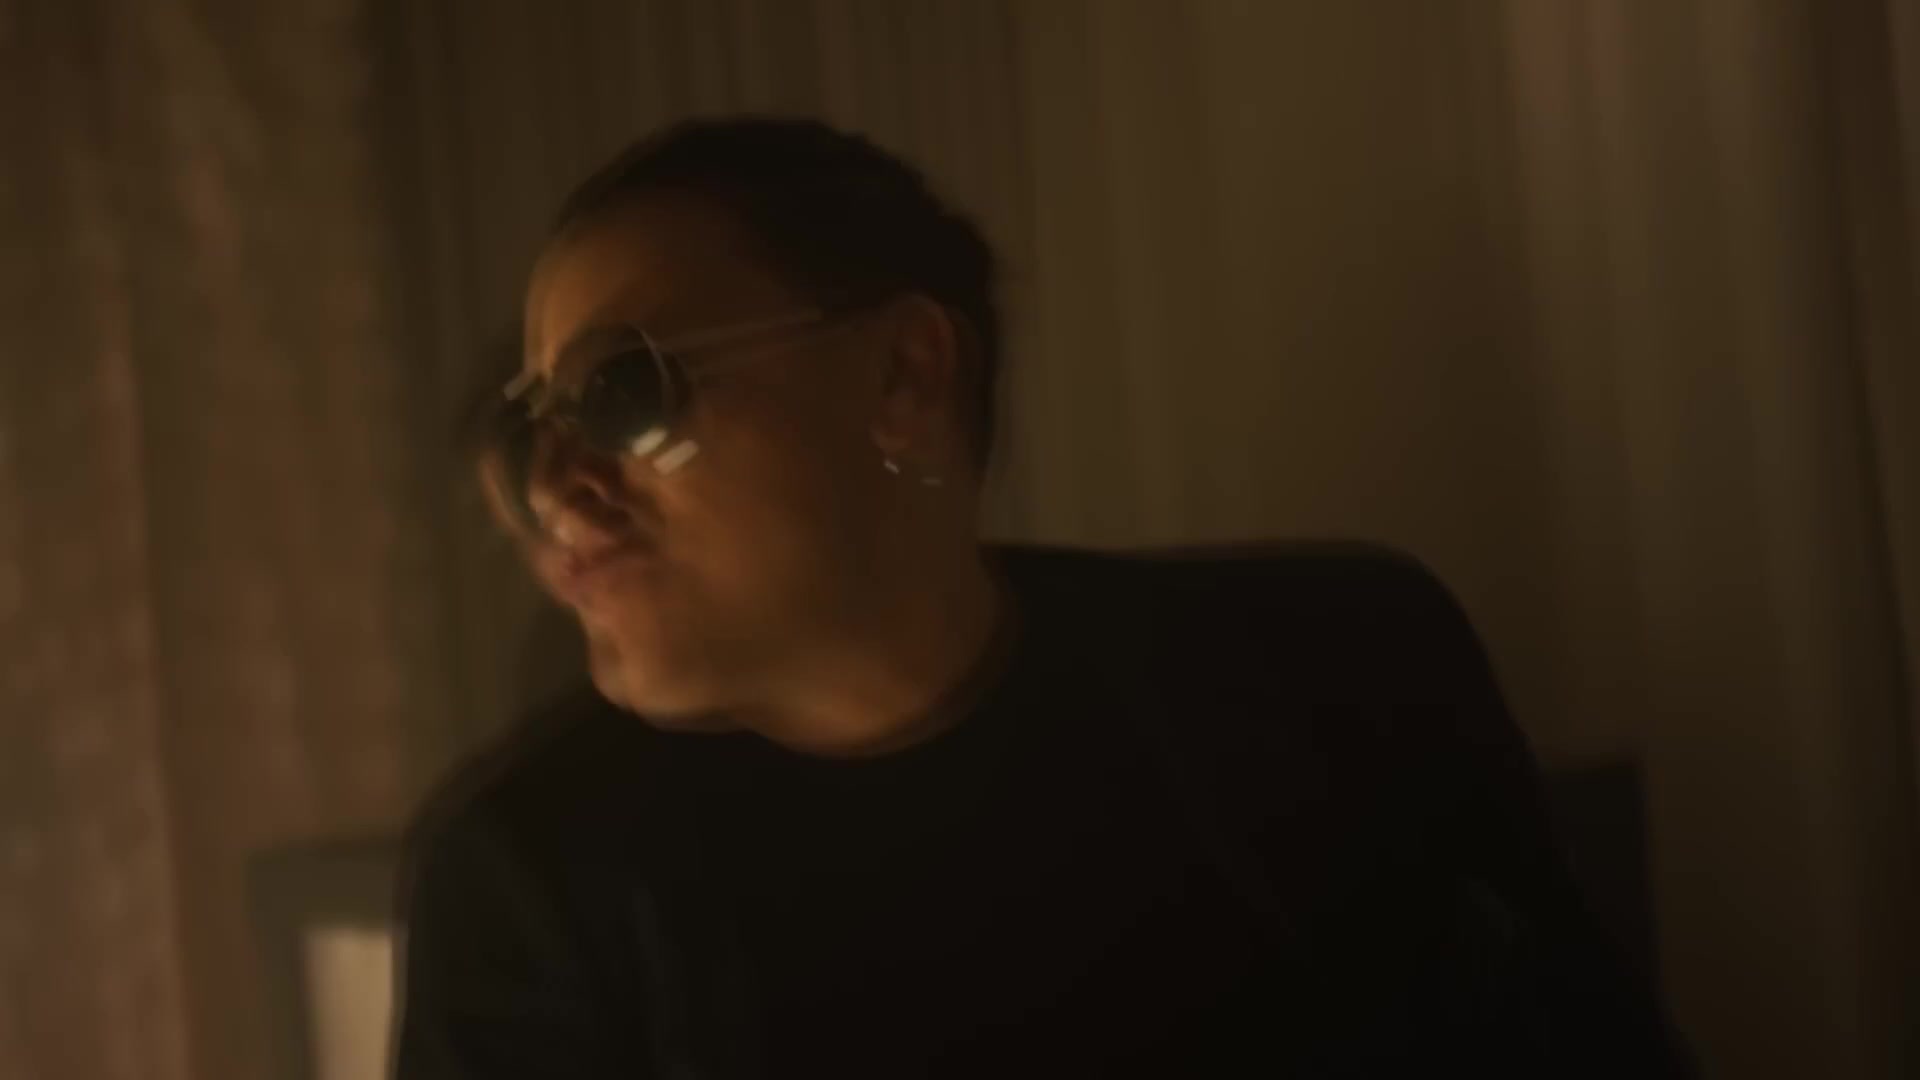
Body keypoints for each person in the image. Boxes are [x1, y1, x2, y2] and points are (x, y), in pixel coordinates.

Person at [392, 115, 1692, 1078]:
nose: (555, 489)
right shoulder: (529, 883)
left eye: (623, 392)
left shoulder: (1338, 680)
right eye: (532, 427)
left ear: (904, 376)